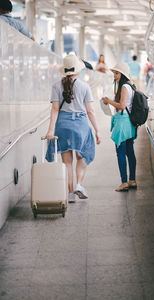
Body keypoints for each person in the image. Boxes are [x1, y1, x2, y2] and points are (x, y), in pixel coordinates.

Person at [45, 54, 101, 203]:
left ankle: (70, 194)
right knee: (82, 156)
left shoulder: (56, 86)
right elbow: (90, 111)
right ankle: (79, 185)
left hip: (62, 126)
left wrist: (51, 130)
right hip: (80, 125)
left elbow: (55, 109)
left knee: (67, 162)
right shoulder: (84, 86)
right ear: (78, 70)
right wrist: (97, 130)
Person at [102, 62, 137, 191]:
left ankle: (124, 182)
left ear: (122, 74)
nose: (115, 75)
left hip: (122, 123)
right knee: (130, 152)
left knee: (120, 152)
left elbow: (122, 106)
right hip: (129, 123)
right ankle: (132, 180)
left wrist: (108, 101)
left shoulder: (124, 87)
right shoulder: (130, 86)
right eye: (114, 73)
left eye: (117, 73)